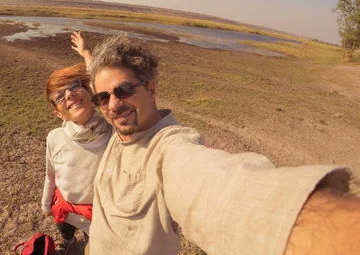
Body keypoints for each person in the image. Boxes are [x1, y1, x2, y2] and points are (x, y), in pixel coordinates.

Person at [86, 35, 359, 255]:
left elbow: (220, 190)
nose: (113, 105)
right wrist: (87, 54)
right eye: (102, 97)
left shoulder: (168, 148)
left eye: (123, 91)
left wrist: (330, 227)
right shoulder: (120, 132)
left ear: (152, 89)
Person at [41, 32, 112, 254]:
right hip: (65, 208)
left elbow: (103, 84)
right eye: (59, 96)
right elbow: (50, 174)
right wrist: (46, 203)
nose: (69, 95)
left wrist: (86, 53)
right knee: (65, 230)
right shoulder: (55, 137)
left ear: (90, 92)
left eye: (74, 86)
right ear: (57, 113)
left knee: (95, 244)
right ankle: (67, 241)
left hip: (98, 216)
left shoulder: (113, 133)